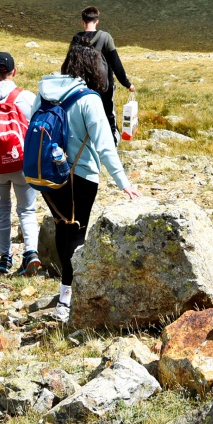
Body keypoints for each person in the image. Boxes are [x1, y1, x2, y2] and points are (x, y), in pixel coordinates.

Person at [37, 41, 140, 322]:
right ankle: (67, 300)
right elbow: (105, 146)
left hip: (47, 175)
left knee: (62, 227)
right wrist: (124, 182)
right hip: (80, 177)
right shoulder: (89, 99)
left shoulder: (44, 92)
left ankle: (65, 293)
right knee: (77, 233)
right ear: (93, 68)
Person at [0, 51, 41, 276]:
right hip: (22, 163)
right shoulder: (26, 97)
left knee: (2, 211)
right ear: (14, 72)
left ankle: (4, 257)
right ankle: (31, 253)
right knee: (27, 209)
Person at [66, 6, 134, 128]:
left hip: (81, 86)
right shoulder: (105, 37)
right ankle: (111, 142)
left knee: (84, 117)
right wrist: (127, 84)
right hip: (104, 87)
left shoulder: (76, 39)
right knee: (107, 116)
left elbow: (70, 63)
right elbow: (116, 63)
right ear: (97, 21)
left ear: (82, 21)